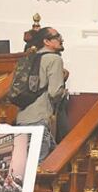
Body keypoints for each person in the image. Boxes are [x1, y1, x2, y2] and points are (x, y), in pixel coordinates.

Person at [16, 26, 68, 161]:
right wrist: (63, 91)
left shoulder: (29, 58)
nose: (61, 39)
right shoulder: (54, 59)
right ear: (47, 41)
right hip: (39, 118)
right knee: (38, 168)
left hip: (22, 118)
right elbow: (54, 92)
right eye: (57, 37)